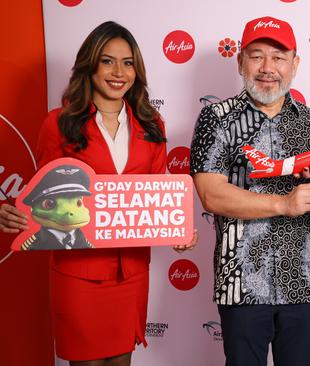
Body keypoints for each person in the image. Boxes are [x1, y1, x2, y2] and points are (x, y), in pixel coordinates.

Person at [0, 21, 196, 366]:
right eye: (107, 61)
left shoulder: (152, 125)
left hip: (132, 271)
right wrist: (12, 213)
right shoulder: (59, 123)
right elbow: (40, 195)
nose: (118, 72)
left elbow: (155, 195)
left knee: (122, 362)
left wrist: (177, 227)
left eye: (128, 62)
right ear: (89, 66)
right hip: (78, 272)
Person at [190, 16, 310, 366]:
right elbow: (211, 195)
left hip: (304, 283)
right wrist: (284, 203)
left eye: (278, 57)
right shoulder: (216, 119)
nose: (267, 68)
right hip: (241, 284)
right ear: (240, 61)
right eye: (256, 55)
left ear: (295, 64)